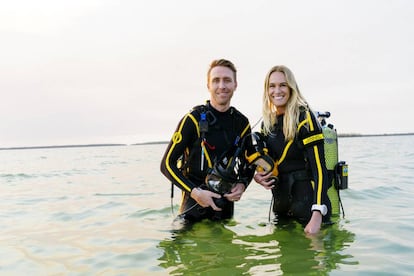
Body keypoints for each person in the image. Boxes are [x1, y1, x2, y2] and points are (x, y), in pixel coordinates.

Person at [160, 59, 254, 223]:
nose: (222, 86)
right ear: (208, 85)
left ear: (235, 85)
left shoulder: (242, 123)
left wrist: (242, 185)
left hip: (225, 209)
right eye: (216, 80)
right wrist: (196, 193)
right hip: (192, 208)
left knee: (228, 247)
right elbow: (167, 164)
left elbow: (251, 162)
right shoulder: (192, 119)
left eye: (227, 80)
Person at [253, 65, 332, 234]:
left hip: (310, 209)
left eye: (282, 85)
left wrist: (317, 215)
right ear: (267, 90)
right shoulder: (267, 124)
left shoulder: (305, 117)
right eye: (272, 86)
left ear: (291, 88)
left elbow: (320, 170)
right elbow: (269, 163)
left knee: (313, 259)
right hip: (282, 209)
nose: (277, 90)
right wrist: (258, 177)